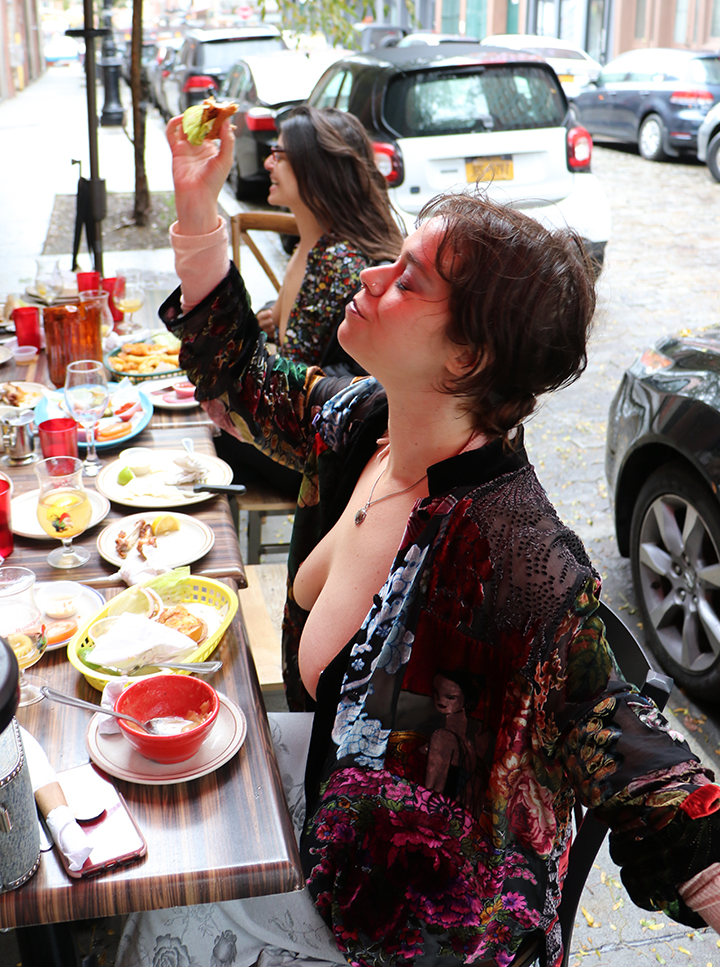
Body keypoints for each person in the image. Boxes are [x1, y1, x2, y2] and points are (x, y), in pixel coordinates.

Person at [117, 114, 720, 967]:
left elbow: (645, 770)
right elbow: (244, 376)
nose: (370, 274)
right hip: (332, 826)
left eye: (407, 278)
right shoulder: (366, 421)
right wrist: (195, 204)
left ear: (466, 359)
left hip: (409, 934)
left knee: (138, 916)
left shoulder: (517, 559)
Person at [215, 105, 404, 494]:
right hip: (297, 422)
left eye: (278, 154)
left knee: (208, 439)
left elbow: (332, 378)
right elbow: (305, 338)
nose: (267, 163)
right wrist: (272, 318)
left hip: (317, 453)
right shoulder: (312, 244)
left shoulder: (340, 262)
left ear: (315, 168)